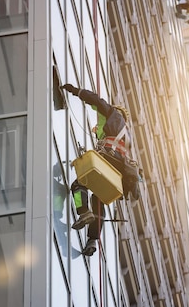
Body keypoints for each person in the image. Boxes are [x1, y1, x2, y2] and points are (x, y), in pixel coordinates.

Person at [60, 83, 142, 256]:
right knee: (98, 200)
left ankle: (83, 212)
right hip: (118, 170)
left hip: (108, 157)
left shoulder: (112, 113)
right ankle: (92, 240)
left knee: (79, 184)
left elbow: (95, 100)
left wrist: (76, 91)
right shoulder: (126, 135)